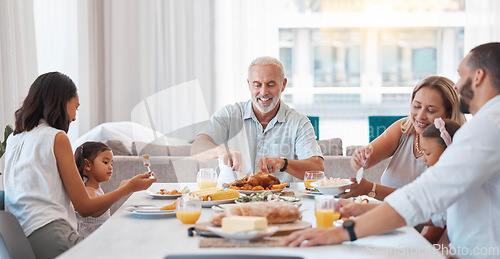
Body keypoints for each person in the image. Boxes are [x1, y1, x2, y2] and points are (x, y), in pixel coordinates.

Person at [282, 42, 500, 257]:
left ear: (479, 76)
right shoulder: (488, 124)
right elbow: (442, 212)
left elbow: (425, 197)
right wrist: (364, 210)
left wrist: (341, 233)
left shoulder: (487, 127)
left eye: (461, 75)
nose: (457, 85)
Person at [3, 72, 156, 259]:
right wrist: (129, 188)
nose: (74, 117)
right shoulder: (56, 137)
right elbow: (84, 207)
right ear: (60, 102)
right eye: (75, 107)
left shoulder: (14, 138)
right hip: (52, 236)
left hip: (19, 238)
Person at [191, 56, 324, 185]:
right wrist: (219, 151)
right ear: (249, 85)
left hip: (277, 203)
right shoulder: (229, 114)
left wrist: (283, 163)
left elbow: (318, 168)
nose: (263, 92)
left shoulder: (299, 122)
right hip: (229, 200)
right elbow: (197, 149)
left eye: (271, 85)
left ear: (283, 85)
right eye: (257, 85)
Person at [340, 75, 466, 200]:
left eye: (431, 110)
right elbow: (364, 162)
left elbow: (422, 200)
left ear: (449, 112)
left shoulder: (452, 146)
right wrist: (359, 159)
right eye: (417, 106)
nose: (420, 115)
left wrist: (371, 189)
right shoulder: (404, 128)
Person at [74, 141, 122, 238]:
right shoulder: (89, 191)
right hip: (90, 240)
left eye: (111, 163)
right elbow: (96, 212)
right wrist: (122, 190)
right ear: (87, 165)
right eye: (105, 162)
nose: (110, 167)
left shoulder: (97, 189)